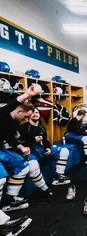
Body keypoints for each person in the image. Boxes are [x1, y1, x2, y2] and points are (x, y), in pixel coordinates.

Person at [0, 86, 39, 231]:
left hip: (1, 149)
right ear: (18, 111)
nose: (27, 119)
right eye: (26, 116)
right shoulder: (3, 113)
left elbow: (10, 138)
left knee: (22, 166)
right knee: (0, 179)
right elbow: (12, 103)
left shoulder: (15, 122)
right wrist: (27, 94)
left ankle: (10, 201)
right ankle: (2, 224)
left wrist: (20, 147)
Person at [19, 108, 71, 188]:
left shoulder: (42, 128)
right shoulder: (23, 128)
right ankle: (44, 188)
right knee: (33, 165)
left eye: (36, 112)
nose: (35, 114)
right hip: (30, 151)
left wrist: (48, 148)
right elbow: (19, 142)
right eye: (32, 113)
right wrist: (33, 140)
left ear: (39, 115)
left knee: (64, 151)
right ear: (28, 115)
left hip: (42, 149)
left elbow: (46, 140)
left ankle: (58, 175)